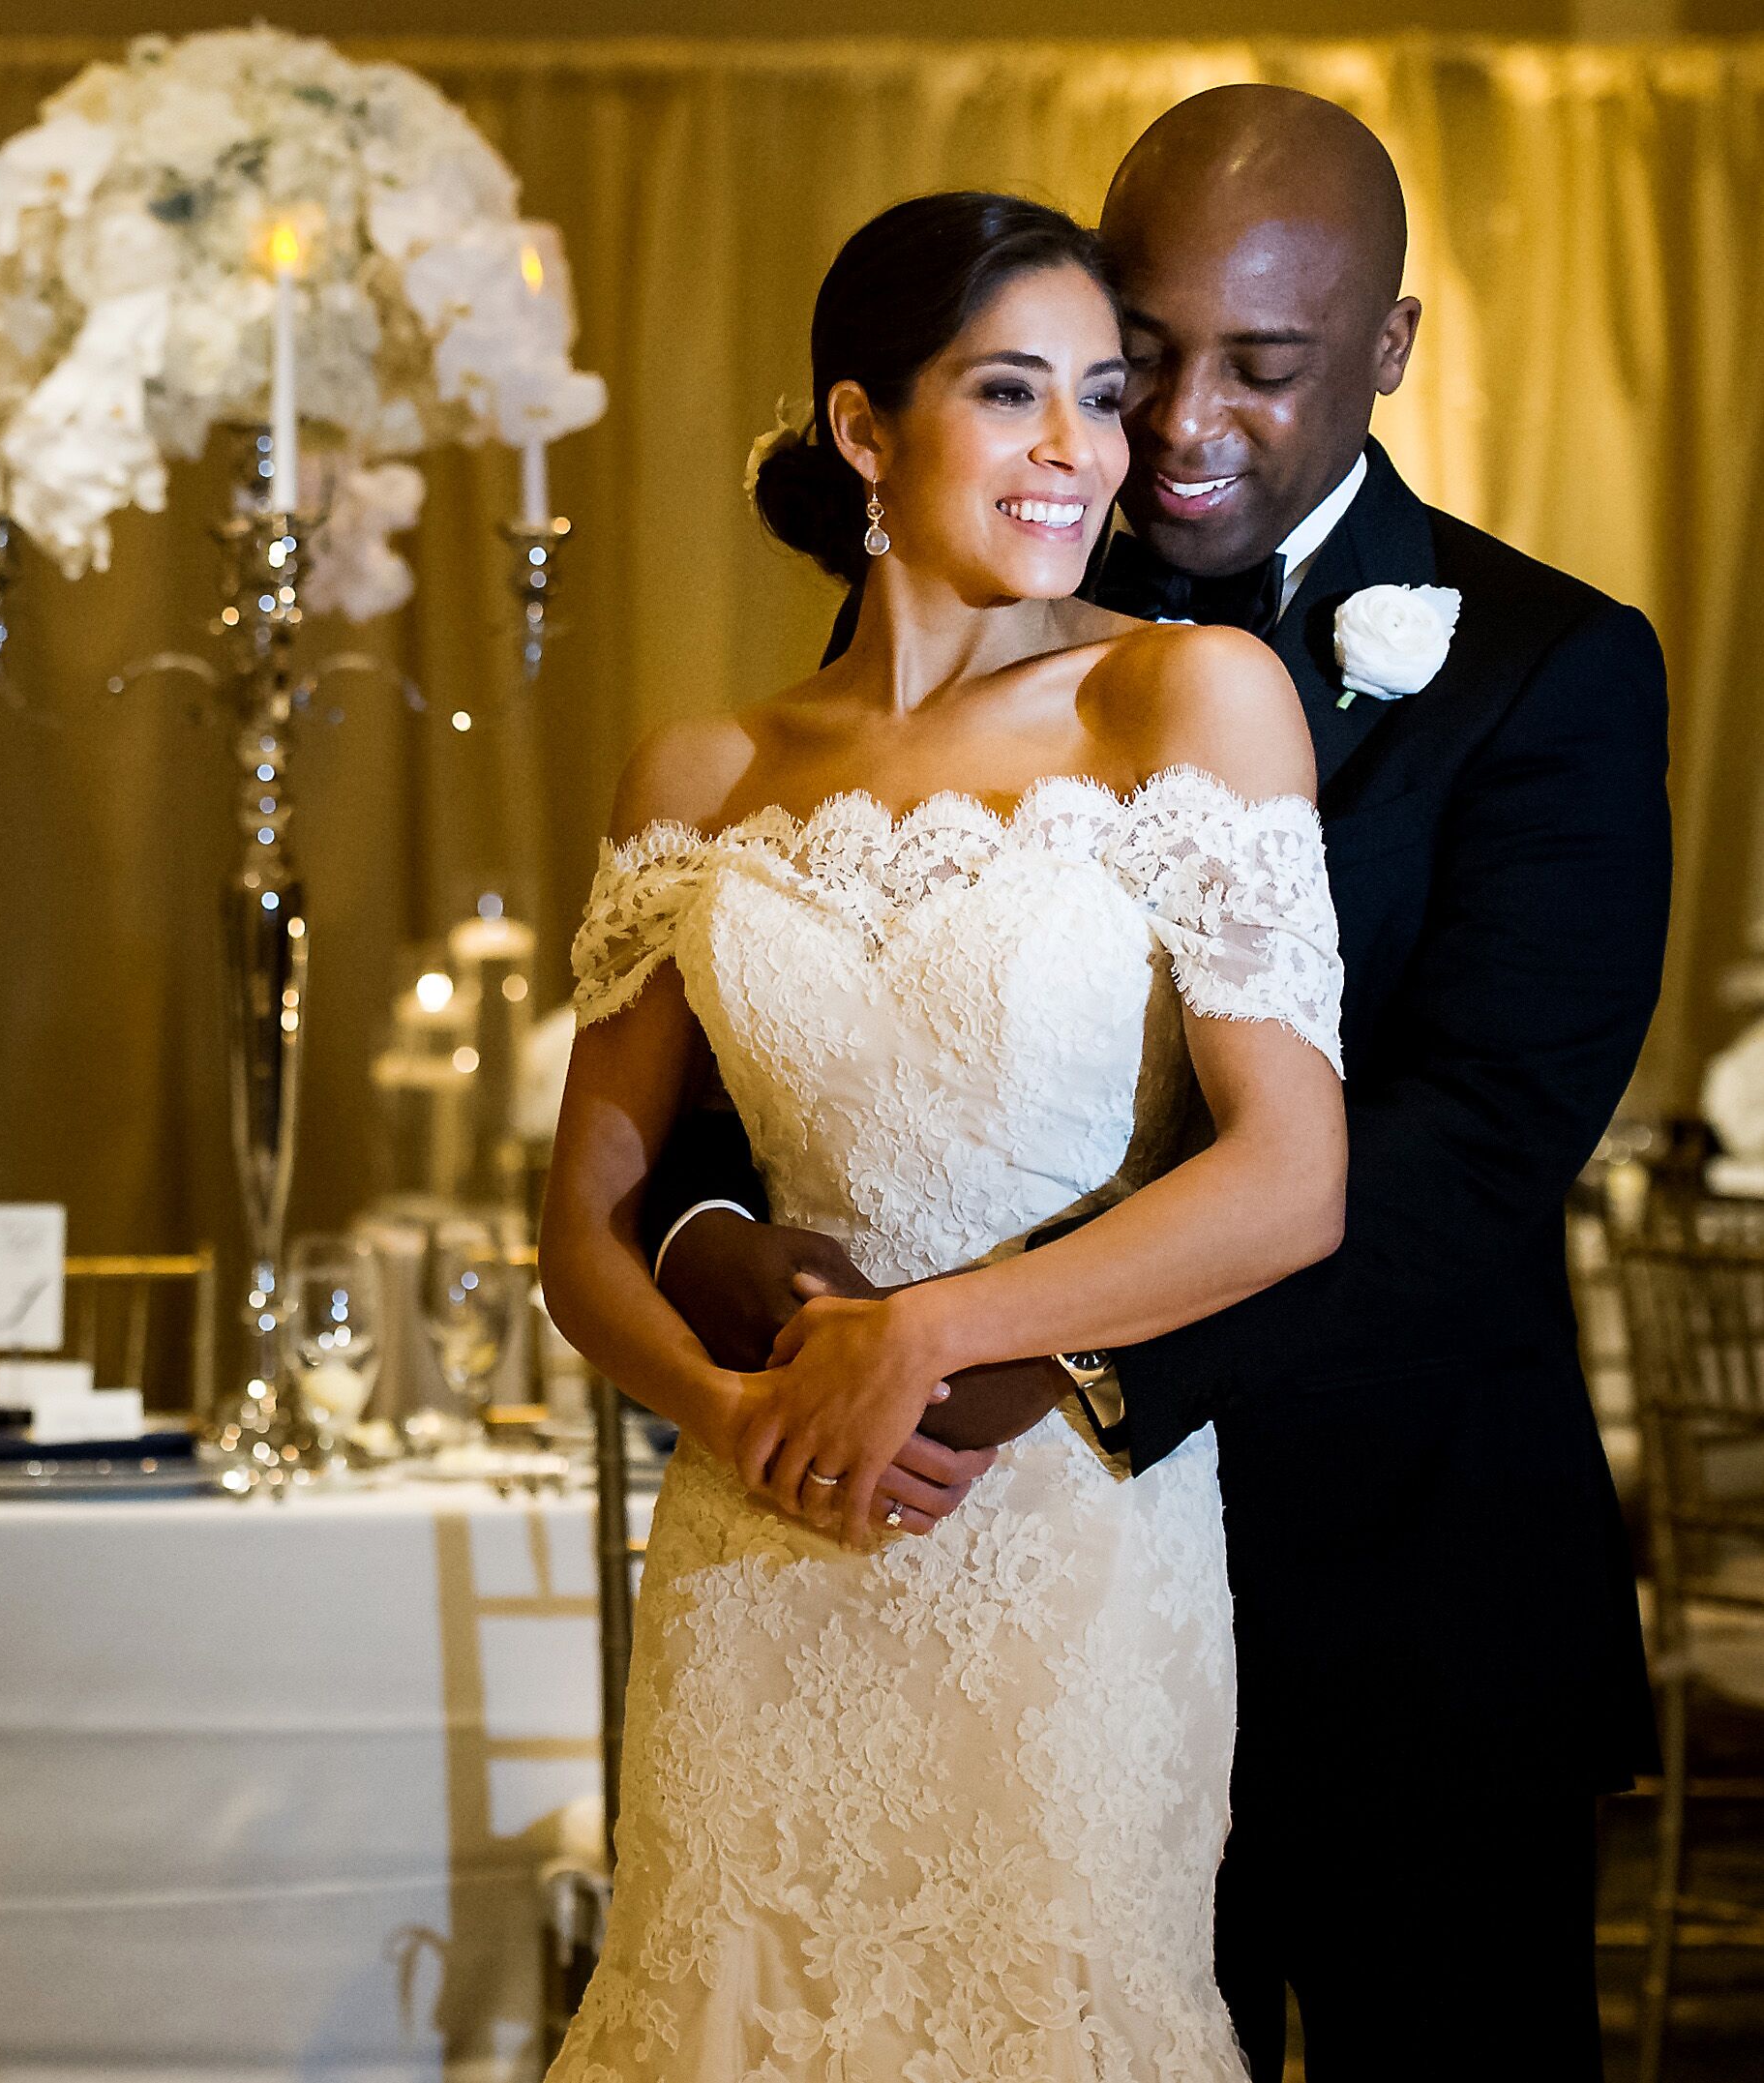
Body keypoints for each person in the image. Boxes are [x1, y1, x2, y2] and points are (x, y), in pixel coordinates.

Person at [638, 88, 1667, 2079]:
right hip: (976, 1606)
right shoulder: (961, 612)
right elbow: (751, 1018)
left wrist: (1028, 1361)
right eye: (1147, 348)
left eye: (1265, 367)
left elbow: (1471, 1147)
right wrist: (735, 1266)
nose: (1182, 419)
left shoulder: (1549, 667)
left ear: (1386, 353)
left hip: (1389, 1608)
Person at [541, 187, 1340, 2079]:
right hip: (758, 1540)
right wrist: (727, 1413)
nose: (1084, 450)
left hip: (1057, 1532)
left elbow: (1289, 1179)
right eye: (1012, 393)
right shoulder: (703, 771)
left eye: (1100, 396)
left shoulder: (1184, 697)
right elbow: (582, 1220)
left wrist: (932, 1331)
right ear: (860, 428)